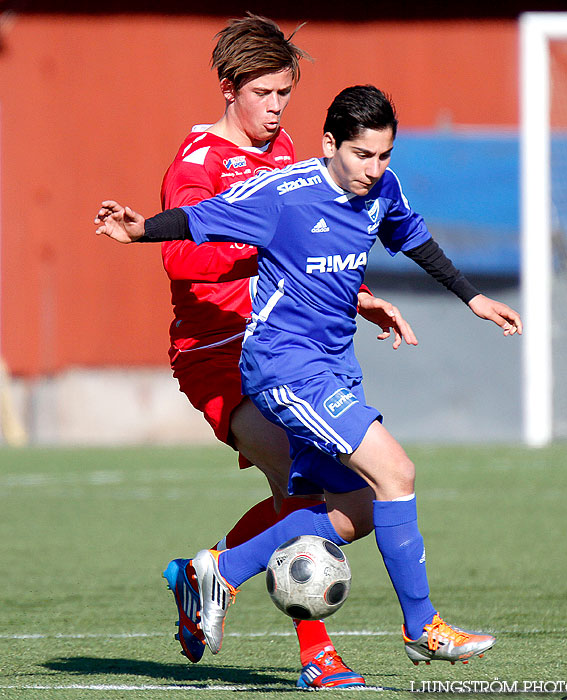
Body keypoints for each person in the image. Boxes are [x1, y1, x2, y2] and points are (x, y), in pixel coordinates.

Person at [95, 84, 522, 667]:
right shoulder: (285, 195)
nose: (374, 169)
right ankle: (422, 628)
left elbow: (411, 235)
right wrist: (141, 230)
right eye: (361, 155)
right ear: (330, 144)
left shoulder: (381, 189)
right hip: (283, 366)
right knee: (397, 470)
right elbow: (200, 218)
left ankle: (217, 570)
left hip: (334, 365)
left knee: (360, 506)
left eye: (383, 156)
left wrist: (472, 299)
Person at [157, 15, 415, 689]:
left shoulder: (289, 153)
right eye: (264, 93)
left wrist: (354, 293)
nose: (275, 109)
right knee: (303, 483)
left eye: (284, 95)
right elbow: (184, 257)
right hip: (217, 352)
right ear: (228, 88)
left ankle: (203, 574)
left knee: (320, 496)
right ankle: (315, 653)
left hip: (281, 349)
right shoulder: (198, 163)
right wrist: (264, 247)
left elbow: (313, 239)